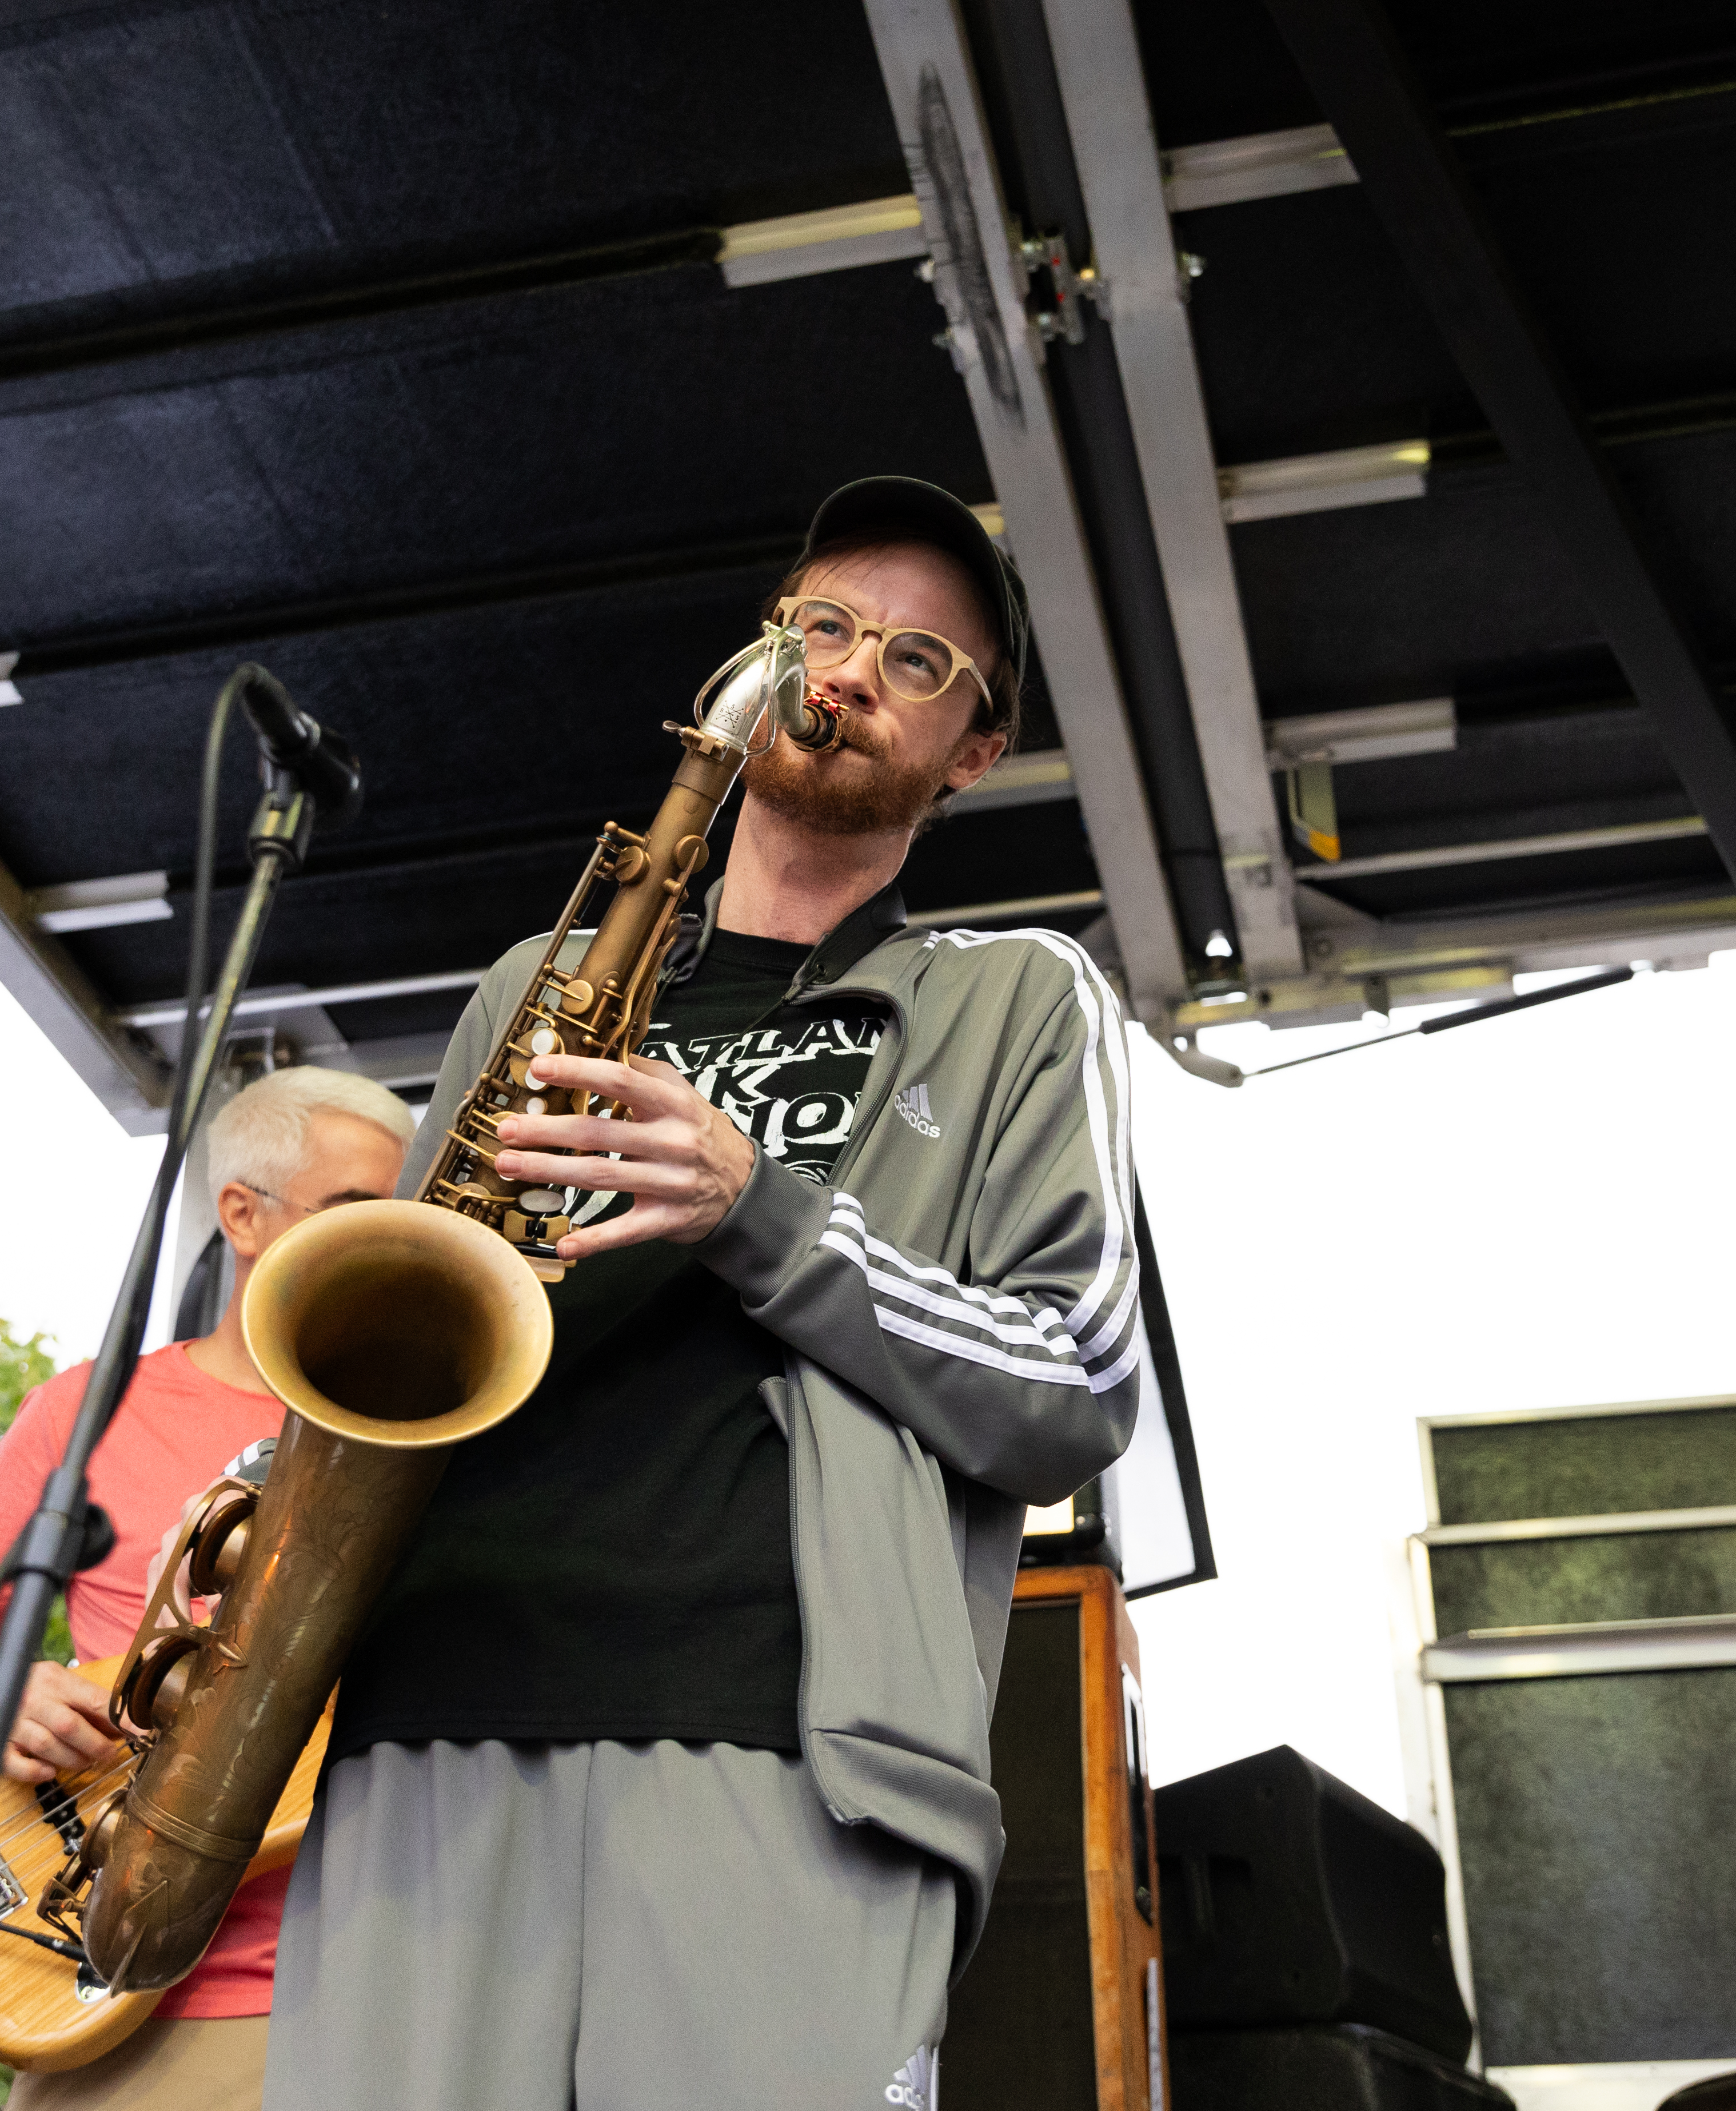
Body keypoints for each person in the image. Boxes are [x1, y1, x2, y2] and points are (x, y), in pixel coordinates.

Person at [264, 477, 1142, 2111]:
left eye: (921, 658)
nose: (853, 666)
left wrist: (763, 1212)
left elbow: (1077, 1382)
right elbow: (384, 1327)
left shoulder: (1023, 1000)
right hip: (426, 1723)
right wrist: (252, 1530)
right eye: (824, 621)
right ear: (761, 651)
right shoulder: (538, 984)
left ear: (973, 750)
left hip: (785, 1748)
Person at [0, 1065, 413, 2111]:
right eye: (353, 1211)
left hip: (393, 1987)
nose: (389, 1242)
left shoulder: (440, 1430)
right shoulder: (90, 1412)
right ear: (242, 1215)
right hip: (142, 1994)